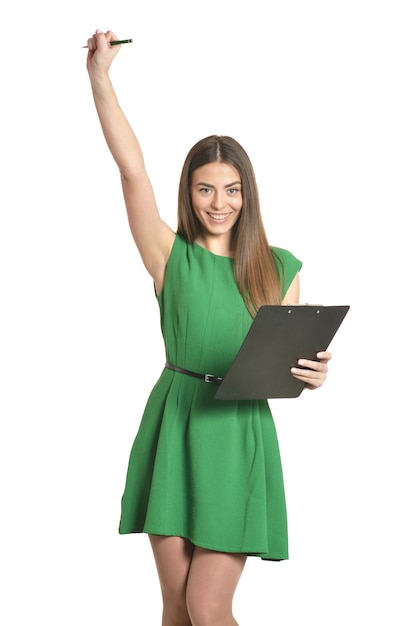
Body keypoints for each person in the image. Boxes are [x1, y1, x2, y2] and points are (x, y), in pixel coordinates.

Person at [85, 28, 332, 626]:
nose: (218, 203)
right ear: (188, 192)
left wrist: (313, 374)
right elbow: (131, 172)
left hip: (236, 431)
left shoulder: (280, 268)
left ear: (247, 193)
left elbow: (287, 366)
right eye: (204, 189)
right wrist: (100, 80)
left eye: (230, 189)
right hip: (175, 419)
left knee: (207, 602)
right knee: (174, 604)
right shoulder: (169, 256)